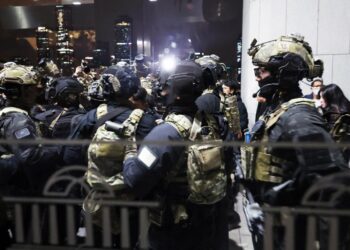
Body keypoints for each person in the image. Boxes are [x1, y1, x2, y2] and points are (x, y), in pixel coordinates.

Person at [246, 34, 347, 249]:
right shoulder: (278, 110)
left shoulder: (298, 116)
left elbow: (334, 184)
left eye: (260, 71)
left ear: (283, 73)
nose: (257, 77)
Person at [123, 61, 229, 250]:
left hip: (172, 231)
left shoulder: (166, 134)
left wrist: (130, 151)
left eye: (165, 87)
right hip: (205, 224)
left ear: (176, 91)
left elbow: (134, 181)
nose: (160, 91)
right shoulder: (212, 123)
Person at [0, 63, 60, 249]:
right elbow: (31, 157)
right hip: (22, 193)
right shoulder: (18, 120)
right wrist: (58, 149)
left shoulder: (7, 115)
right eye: (32, 89)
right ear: (22, 92)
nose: (36, 92)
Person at [319, 83, 350, 163]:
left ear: (330, 98)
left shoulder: (334, 115)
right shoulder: (345, 111)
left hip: (334, 156)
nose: (320, 100)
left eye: (322, 97)